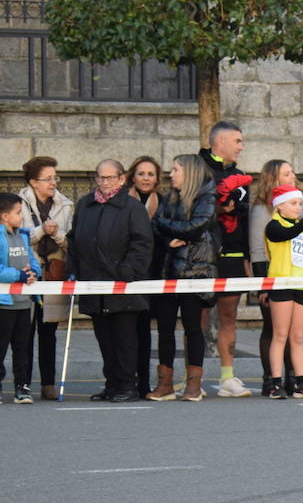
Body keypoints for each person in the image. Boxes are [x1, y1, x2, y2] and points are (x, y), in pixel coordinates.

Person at [67, 159, 153, 402]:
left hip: (123, 286)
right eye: (100, 177)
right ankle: (112, 383)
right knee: (104, 338)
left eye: (110, 178)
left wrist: (127, 271)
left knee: (124, 339)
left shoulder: (132, 207)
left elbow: (142, 244)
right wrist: (75, 270)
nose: (104, 182)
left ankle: (127, 384)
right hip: (94, 283)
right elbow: (74, 240)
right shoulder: (86, 204)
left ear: (122, 179)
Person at [150, 154, 217, 402]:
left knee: (193, 329)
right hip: (169, 270)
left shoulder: (207, 197)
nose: (171, 174)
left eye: (175, 169)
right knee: (165, 328)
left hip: (195, 271)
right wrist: (170, 239)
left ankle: (193, 385)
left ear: (189, 172)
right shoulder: (169, 198)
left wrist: (169, 228)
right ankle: (165, 383)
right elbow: (155, 226)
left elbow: (196, 227)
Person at [198, 120, 252, 397]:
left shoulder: (240, 175)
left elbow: (244, 219)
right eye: (238, 141)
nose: (242, 147)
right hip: (202, 257)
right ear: (220, 142)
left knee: (228, 317)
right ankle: (191, 377)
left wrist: (248, 261)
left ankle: (227, 377)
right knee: (198, 318)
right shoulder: (197, 168)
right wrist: (218, 207)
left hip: (232, 256)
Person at [17, 155, 74, 400]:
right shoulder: (18, 203)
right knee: (24, 332)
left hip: (53, 274)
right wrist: (41, 231)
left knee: (48, 330)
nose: (53, 183)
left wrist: (58, 234)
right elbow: (16, 238)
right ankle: (24, 383)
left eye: (55, 178)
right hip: (28, 274)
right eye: (47, 179)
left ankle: (48, 383)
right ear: (33, 182)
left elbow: (72, 241)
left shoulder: (65, 205)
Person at [0, 193, 40, 405]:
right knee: (0, 346)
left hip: (24, 302)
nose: (21, 217)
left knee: (22, 346)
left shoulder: (23, 237)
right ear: (5, 216)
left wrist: (33, 272)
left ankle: (22, 386)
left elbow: (33, 260)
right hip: (4, 302)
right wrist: (18, 275)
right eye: (18, 212)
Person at [262, 185, 303, 400]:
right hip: (281, 284)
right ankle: (275, 382)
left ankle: (300, 382)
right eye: (293, 204)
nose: (298, 208)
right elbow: (286, 234)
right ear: (279, 206)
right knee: (281, 335)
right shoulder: (273, 226)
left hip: (301, 286)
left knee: (298, 337)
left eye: (299, 204)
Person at [249, 159, 299, 395]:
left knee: (292, 331)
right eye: (287, 174)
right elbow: (258, 250)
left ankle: (292, 375)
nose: (293, 177)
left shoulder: (296, 205)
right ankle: (271, 377)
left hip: (294, 275)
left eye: (292, 173)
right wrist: (263, 287)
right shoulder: (263, 209)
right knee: (273, 328)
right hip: (272, 276)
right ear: (274, 178)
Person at [128, 155, 165, 399]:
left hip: (155, 273)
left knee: (145, 331)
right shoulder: (123, 202)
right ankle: (126, 379)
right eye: (141, 173)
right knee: (128, 331)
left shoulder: (163, 202)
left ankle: (144, 381)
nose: (146, 178)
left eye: (150, 174)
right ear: (133, 176)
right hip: (129, 274)